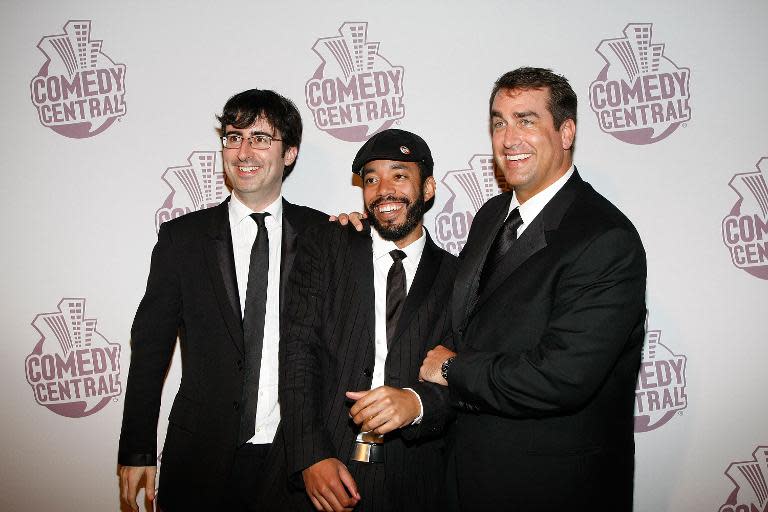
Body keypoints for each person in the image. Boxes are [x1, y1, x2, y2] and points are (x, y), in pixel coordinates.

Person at [419, 67, 647, 511]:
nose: (508, 138)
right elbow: (470, 323)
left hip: (552, 488)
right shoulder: (491, 216)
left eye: (526, 120)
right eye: (499, 122)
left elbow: (561, 377)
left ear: (566, 132)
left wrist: (452, 370)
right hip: (466, 476)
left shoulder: (604, 237)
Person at [118, 89, 328, 511]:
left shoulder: (327, 235)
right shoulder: (182, 238)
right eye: (233, 137)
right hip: (199, 456)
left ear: (289, 154)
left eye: (260, 138)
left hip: (296, 462)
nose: (243, 151)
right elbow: (150, 350)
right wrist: (137, 448)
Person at [279, 129, 457, 512]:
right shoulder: (327, 244)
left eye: (399, 175)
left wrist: (418, 403)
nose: (383, 190)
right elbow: (297, 352)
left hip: (416, 475)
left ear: (427, 189)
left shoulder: (458, 276)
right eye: (371, 179)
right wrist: (311, 455)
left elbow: (467, 376)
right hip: (325, 464)